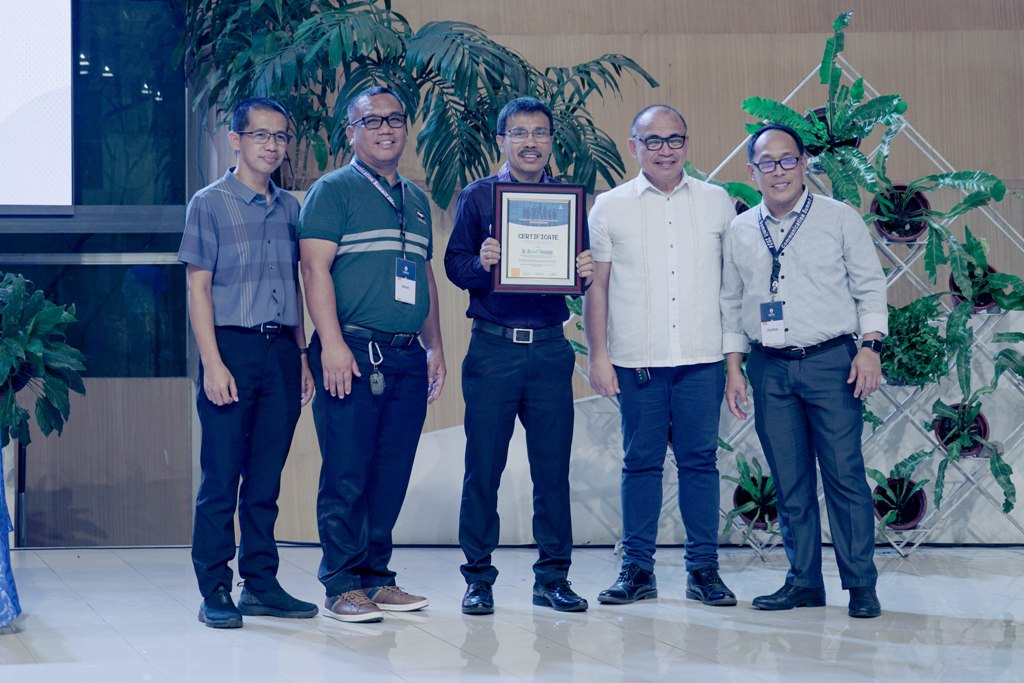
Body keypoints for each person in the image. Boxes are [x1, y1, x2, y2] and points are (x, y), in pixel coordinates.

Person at [720, 123, 887, 618]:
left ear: (804, 164)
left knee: (844, 477)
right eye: (767, 163)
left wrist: (871, 346)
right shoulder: (740, 229)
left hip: (832, 364)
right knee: (789, 482)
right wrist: (734, 368)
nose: (779, 171)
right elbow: (731, 303)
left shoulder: (839, 218)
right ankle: (804, 581)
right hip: (769, 368)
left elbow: (870, 286)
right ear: (752, 171)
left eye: (788, 160)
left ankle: (861, 585)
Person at [299, 86, 446, 624]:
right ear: (351, 132)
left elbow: (422, 275)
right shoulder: (332, 191)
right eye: (372, 121)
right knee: (347, 472)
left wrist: (435, 345)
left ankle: (376, 578)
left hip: (406, 356)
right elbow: (313, 269)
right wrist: (332, 345)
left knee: (390, 472)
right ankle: (341, 584)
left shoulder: (416, 199)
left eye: (395, 119)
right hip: (353, 351)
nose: (386, 129)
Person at [444, 97, 594, 615]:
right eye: (519, 133)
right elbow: (454, 264)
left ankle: (553, 578)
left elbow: (575, 277)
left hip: (550, 351)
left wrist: (584, 273)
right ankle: (478, 579)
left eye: (540, 133)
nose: (531, 142)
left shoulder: (567, 201)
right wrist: (480, 262)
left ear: (551, 141)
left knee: (552, 471)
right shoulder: (478, 196)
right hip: (493, 350)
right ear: (502, 140)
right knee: (482, 468)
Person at [585, 104, 737, 608]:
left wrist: (734, 362)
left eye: (674, 139)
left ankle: (704, 571)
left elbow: (732, 287)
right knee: (640, 464)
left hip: (701, 359)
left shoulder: (717, 202)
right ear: (635, 147)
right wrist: (599, 356)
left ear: (687, 144)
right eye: (653, 141)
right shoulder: (609, 207)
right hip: (638, 362)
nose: (665, 150)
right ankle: (637, 570)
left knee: (700, 464)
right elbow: (597, 287)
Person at [179, 97, 317, 629]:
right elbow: (198, 289)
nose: (272, 146)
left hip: (281, 351)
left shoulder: (291, 209)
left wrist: (302, 354)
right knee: (221, 478)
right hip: (230, 348)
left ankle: (260, 583)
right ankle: (214, 587)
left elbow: (298, 285)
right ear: (235, 140)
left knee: (265, 480)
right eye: (261, 135)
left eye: (280, 136)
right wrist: (212, 364)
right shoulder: (208, 203)